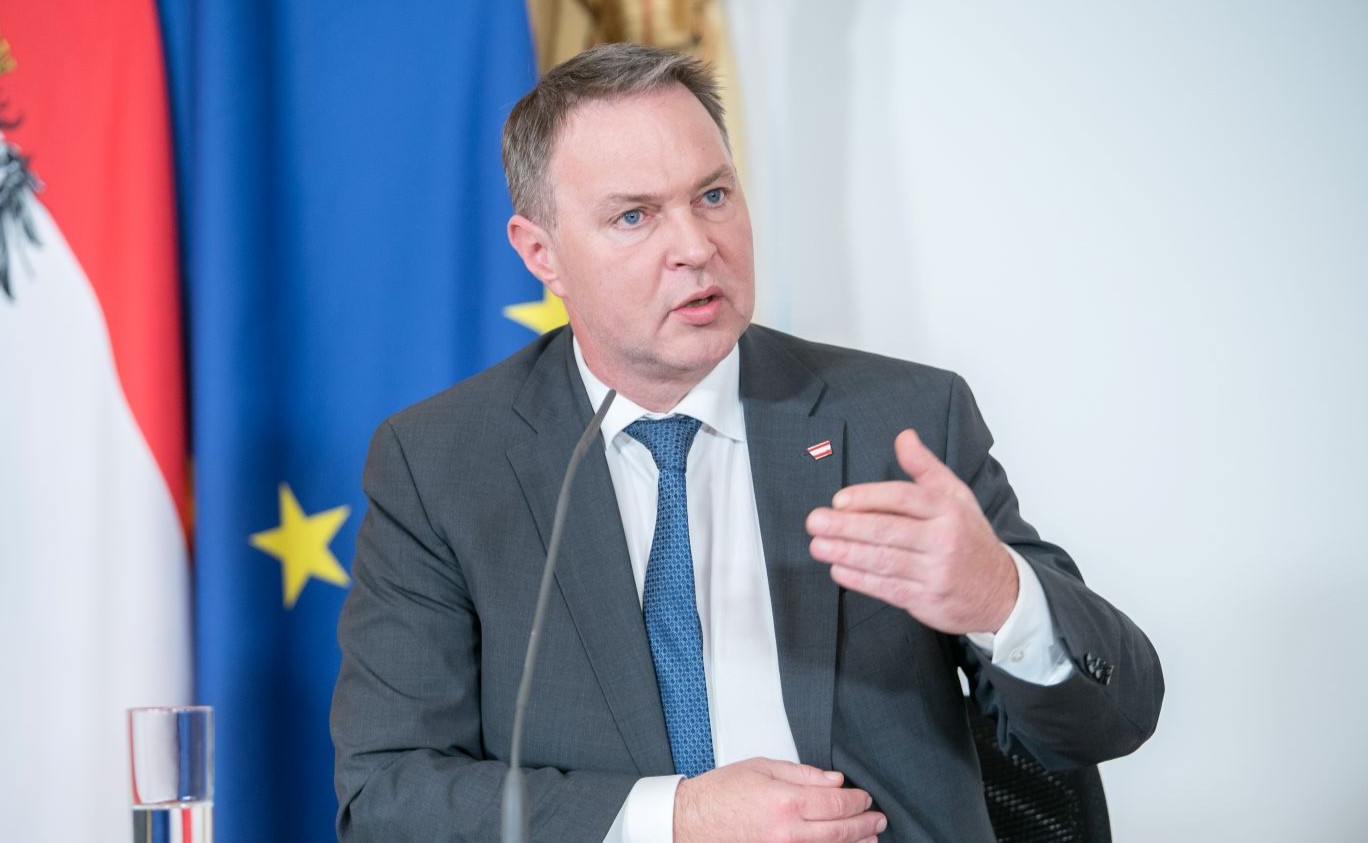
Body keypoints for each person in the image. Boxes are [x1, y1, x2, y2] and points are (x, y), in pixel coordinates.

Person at [331, 43, 1163, 843]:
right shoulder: (441, 462)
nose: (696, 247)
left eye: (714, 196)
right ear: (541, 252)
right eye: (634, 215)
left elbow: (1117, 714)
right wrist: (677, 820)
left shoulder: (901, 418)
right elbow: (390, 794)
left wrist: (1000, 599)